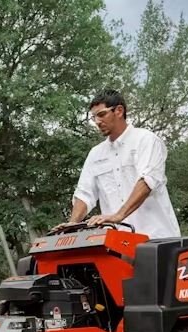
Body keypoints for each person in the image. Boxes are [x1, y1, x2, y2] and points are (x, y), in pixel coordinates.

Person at [63, 89, 181, 239]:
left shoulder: (146, 140)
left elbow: (147, 181)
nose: (97, 122)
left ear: (119, 111)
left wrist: (119, 215)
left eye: (101, 114)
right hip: (118, 242)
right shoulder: (95, 154)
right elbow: (84, 194)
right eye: (94, 117)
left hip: (157, 239)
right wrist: (71, 225)